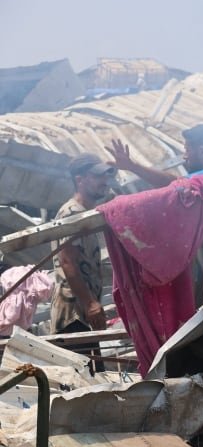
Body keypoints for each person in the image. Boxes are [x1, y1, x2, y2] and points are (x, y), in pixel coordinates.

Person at [107, 124, 203, 292]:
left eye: (188, 150)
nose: (184, 156)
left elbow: (174, 184)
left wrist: (133, 166)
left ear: (202, 151)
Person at [50, 153, 115, 369]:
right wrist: (90, 303)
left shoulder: (86, 213)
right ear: (80, 180)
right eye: (97, 177)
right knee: (83, 378)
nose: (104, 182)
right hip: (73, 314)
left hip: (83, 314)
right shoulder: (71, 213)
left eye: (106, 176)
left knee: (94, 375)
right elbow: (68, 262)